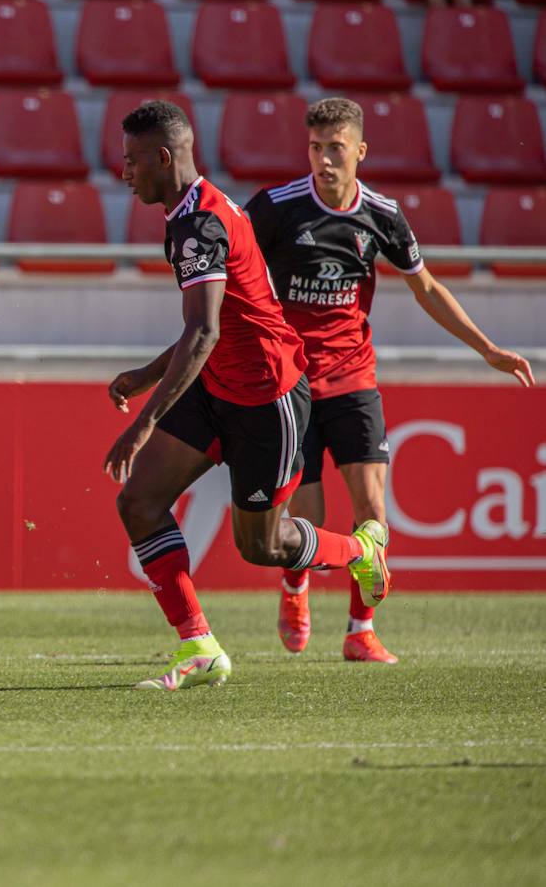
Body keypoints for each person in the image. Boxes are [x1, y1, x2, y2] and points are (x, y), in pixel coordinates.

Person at [104, 100, 390, 692]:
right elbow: (209, 329)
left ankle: (358, 551)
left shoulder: (201, 222)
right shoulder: (191, 210)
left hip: (268, 397)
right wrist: (147, 374)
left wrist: (144, 422)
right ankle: (200, 647)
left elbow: (206, 330)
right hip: (217, 385)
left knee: (262, 547)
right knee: (138, 502)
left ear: (163, 158)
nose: (124, 172)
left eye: (132, 161)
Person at [244, 97, 535, 664]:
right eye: (314, 148)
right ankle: (296, 585)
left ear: (359, 151)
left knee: (373, 510)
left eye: (334, 148)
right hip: (291, 382)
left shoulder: (381, 215)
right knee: (306, 514)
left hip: (353, 377)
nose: (323, 160)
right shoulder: (275, 208)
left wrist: (488, 349)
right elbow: (233, 271)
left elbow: (426, 288)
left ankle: (360, 629)